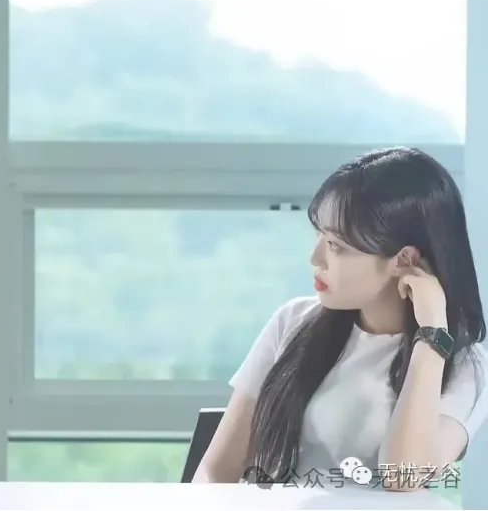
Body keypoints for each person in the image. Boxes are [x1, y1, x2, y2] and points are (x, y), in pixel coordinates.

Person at [193, 147, 488, 491]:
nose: (315, 257)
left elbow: (403, 476)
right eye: (319, 235)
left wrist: (432, 335)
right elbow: (216, 472)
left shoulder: (465, 363)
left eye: (336, 245)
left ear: (403, 259)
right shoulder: (293, 321)